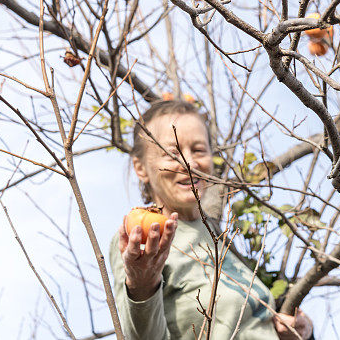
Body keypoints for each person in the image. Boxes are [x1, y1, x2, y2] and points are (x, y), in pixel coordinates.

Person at [109, 99, 314, 340]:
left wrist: (299, 332)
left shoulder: (219, 235)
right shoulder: (142, 239)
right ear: (140, 167)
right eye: (171, 153)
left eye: (198, 150)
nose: (191, 163)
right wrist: (141, 288)